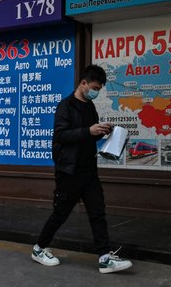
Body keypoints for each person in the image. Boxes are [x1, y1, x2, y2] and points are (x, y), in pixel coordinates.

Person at [32, 64, 133, 274]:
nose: (96, 92)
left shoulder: (90, 107)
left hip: (89, 169)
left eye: (99, 89)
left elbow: (88, 135)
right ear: (83, 83)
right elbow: (61, 135)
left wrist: (103, 131)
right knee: (61, 213)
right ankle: (39, 248)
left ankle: (105, 258)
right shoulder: (65, 106)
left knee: (98, 212)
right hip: (69, 171)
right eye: (94, 87)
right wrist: (89, 130)